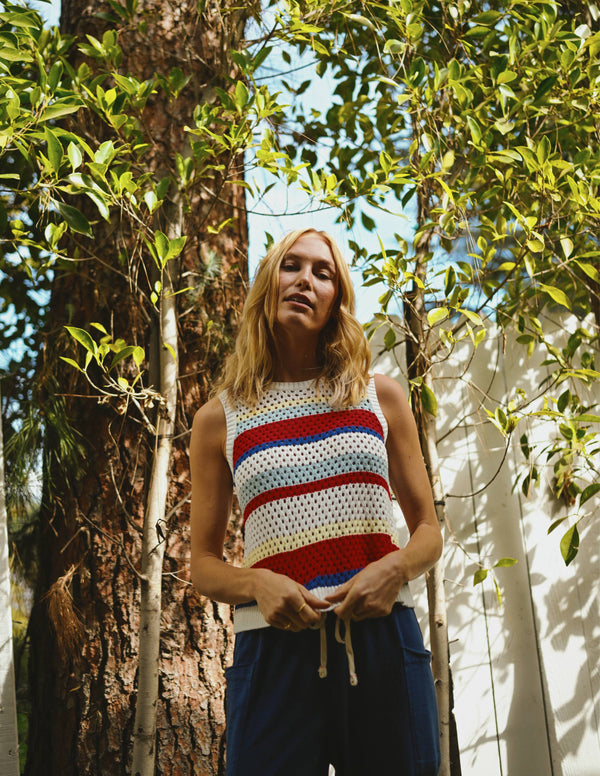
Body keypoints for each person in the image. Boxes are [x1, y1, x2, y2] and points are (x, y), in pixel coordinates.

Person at [189, 228, 443, 776]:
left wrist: (395, 569)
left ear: (336, 301)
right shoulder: (218, 418)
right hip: (272, 651)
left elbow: (428, 531)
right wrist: (257, 583)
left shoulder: (379, 395)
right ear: (268, 283)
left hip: (383, 640)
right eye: (292, 266)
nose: (305, 280)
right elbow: (203, 565)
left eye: (322, 273)